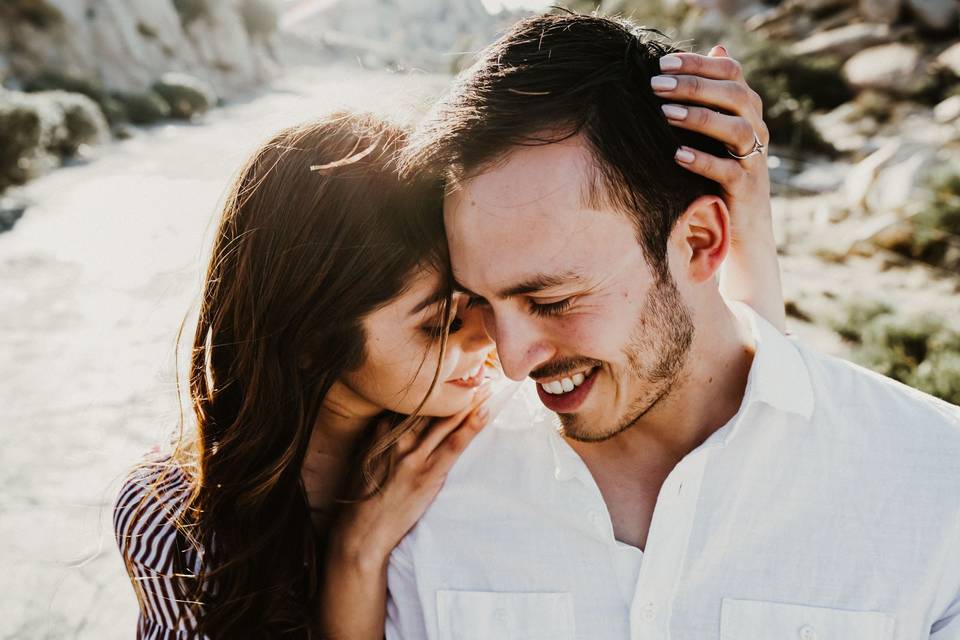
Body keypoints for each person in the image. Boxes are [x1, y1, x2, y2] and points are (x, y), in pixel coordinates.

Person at [114, 29, 779, 640]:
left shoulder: (471, 433)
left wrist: (745, 217)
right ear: (314, 336)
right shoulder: (176, 518)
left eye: (481, 303)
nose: (498, 350)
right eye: (439, 323)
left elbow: (742, 419)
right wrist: (357, 551)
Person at [387, 12, 960, 640]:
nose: (514, 361)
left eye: (551, 301)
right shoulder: (420, 497)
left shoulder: (936, 488)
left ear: (699, 240)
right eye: (479, 305)